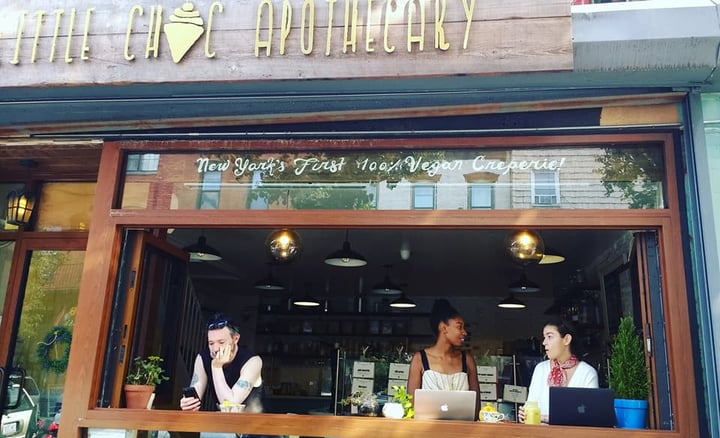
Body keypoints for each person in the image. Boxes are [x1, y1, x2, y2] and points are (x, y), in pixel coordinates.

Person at [180, 313, 273, 438]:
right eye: (211, 343)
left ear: (235, 339)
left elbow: (230, 403)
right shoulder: (203, 357)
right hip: (225, 429)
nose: (215, 349)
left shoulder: (252, 361)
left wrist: (216, 367)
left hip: (256, 430)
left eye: (221, 342)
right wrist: (188, 403)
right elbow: (196, 390)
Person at [407, 299, 480, 417]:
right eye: (459, 327)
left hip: (462, 431)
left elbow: (476, 409)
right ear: (443, 327)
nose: (464, 332)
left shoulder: (467, 360)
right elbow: (410, 405)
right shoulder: (420, 359)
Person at [518, 319, 599, 423]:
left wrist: (544, 418)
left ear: (566, 339)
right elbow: (531, 403)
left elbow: (591, 415)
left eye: (550, 337)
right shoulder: (540, 369)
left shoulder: (587, 373)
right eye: (544, 337)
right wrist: (524, 414)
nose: (544, 342)